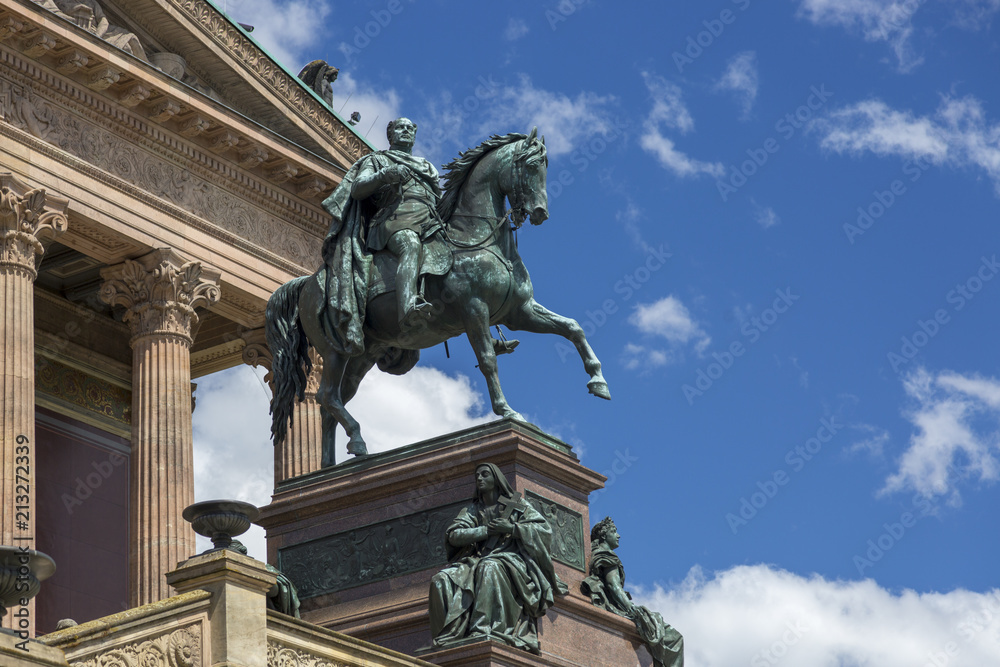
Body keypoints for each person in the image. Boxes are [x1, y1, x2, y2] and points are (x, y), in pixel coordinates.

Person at [321, 117, 443, 335]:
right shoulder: (378, 160)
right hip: (394, 220)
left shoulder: (426, 167)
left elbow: (438, 199)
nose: (405, 131)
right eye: (400, 128)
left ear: (414, 134)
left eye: (409, 128)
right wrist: (386, 175)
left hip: (428, 220)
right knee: (410, 245)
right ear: (391, 135)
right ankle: (408, 307)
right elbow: (358, 188)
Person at [428, 463, 567, 654]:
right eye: (477, 476)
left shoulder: (517, 504)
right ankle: (447, 635)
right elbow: (454, 535)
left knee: (489, 567)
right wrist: (485, 531)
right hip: (476, 560)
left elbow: (543, 531)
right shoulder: (473, 509)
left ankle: (482, 628)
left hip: (511, 560)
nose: (479, 479)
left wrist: (512, 529)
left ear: (497, 479)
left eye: (485, 475)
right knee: (440, 579)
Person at [582, 518, 684, 667]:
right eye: (614, 531)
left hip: (611, 603)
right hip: (619, 606)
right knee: (675, 638)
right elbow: (613, 586)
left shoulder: (598, 554)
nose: (618, 535)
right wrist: (632, 610)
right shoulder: (607, 556)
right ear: (603, 536)